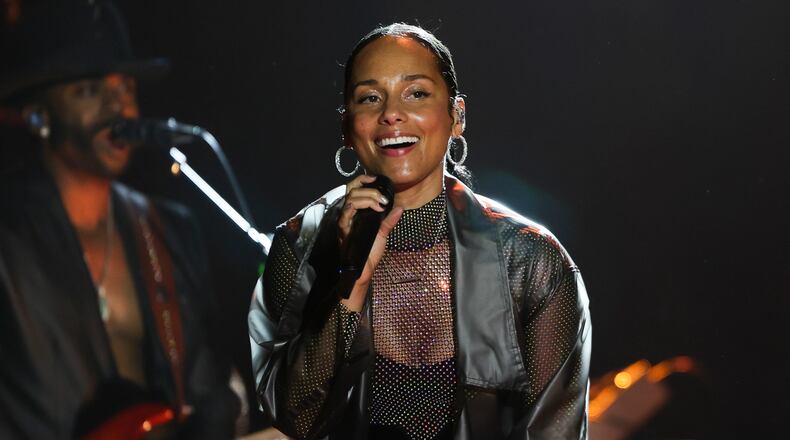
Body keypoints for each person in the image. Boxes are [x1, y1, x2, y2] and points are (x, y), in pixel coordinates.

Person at [249, 23, 591, 439]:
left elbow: (556, 430)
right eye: (370, 98)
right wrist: (346, 281)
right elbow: (290, 418)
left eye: (416, 93)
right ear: (347, 125)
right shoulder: (297, 247)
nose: (391, 113)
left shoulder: (531, 261)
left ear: (457, 116)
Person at [0, 1, 238, 438]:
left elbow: (209, 391)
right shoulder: (9, 238)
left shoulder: (169, 229)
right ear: (40, 116)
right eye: (90, 90)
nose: (119, 106)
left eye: (125, 87)